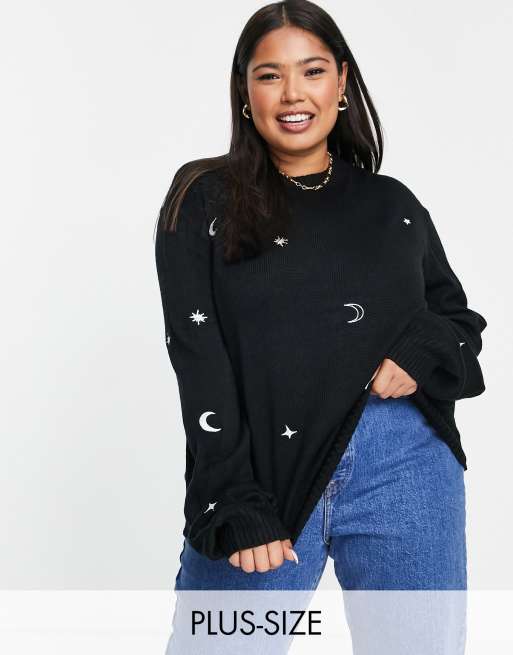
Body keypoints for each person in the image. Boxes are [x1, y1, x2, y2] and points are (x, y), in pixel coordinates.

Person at [154, 1, 487, 652]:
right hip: (262, 471)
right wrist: (232, 495)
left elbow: (455, 317)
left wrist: (419, 351)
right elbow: (198, 353)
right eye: (269, 75)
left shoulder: (391, 204)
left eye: (311, 71)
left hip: (405, 465)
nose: (292, 93)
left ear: (341, 82)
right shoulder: (205, 198)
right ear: (245, 92)